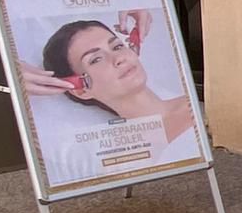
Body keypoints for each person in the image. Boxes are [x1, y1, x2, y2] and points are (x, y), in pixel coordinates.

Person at [21, 13, 194, 147]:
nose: (118, 58)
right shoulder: (122, 157)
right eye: (96, 59)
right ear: (80, 89)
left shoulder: (200, 106)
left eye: (117, 46)